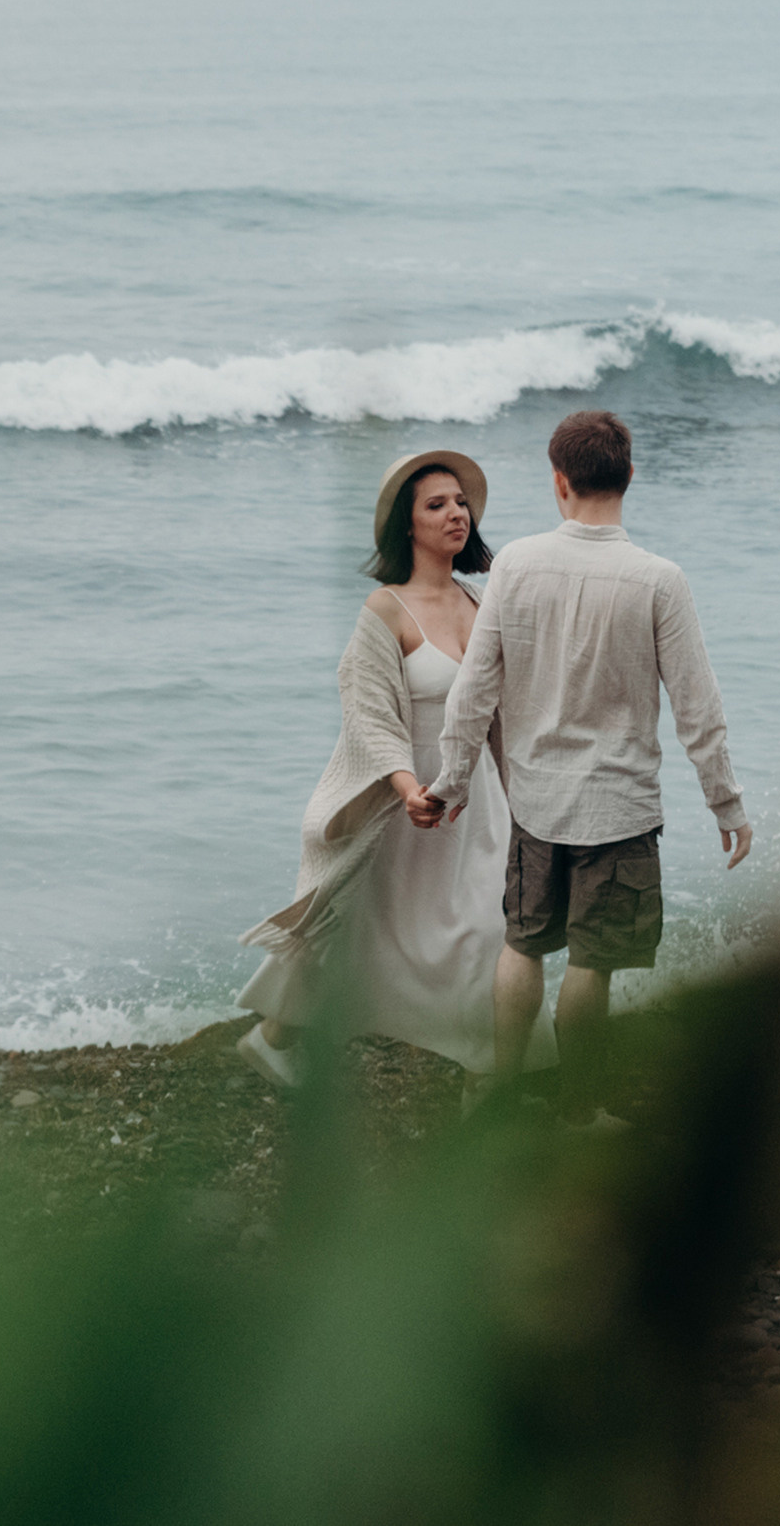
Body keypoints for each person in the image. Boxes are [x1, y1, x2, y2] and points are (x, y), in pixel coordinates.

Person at [426, 410, 751, 1126]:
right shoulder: (659, 580)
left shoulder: (514, 564)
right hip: (617, 808)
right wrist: (725, 803)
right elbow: (698, 706)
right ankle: (579, 1111)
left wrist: (450, 781)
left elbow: (472, 689)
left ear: (559, 482)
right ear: (629, 476)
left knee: (522, 947)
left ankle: (501, 1092)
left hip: (534, 804)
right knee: (590, 963)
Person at [236, 450, 555, 1091]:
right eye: (437, 505)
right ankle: (273, 1038)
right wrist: (409, 789)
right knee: (355, 930)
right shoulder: (384, 610)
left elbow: (509, 709)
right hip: (402, 805)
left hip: (478, 802)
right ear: (407, 525)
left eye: (460, 502)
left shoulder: (481, 601)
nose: (456, 513)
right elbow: (369, 716)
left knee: (491, 927)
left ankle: (491, 1072)